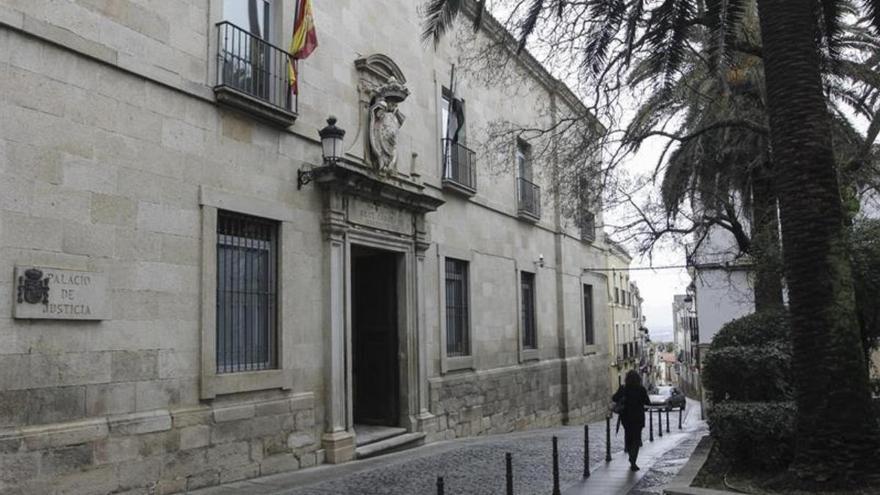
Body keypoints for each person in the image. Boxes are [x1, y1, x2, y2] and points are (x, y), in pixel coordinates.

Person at [612, 370, 651, 471]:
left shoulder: (624, 388)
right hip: (638, 418)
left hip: (626, 418)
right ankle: (633, 460)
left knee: (628, 437)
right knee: (636, 439)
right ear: (638, 379)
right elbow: (648, 402)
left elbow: (614, 398)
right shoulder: (641, 389)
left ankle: (630, 454)